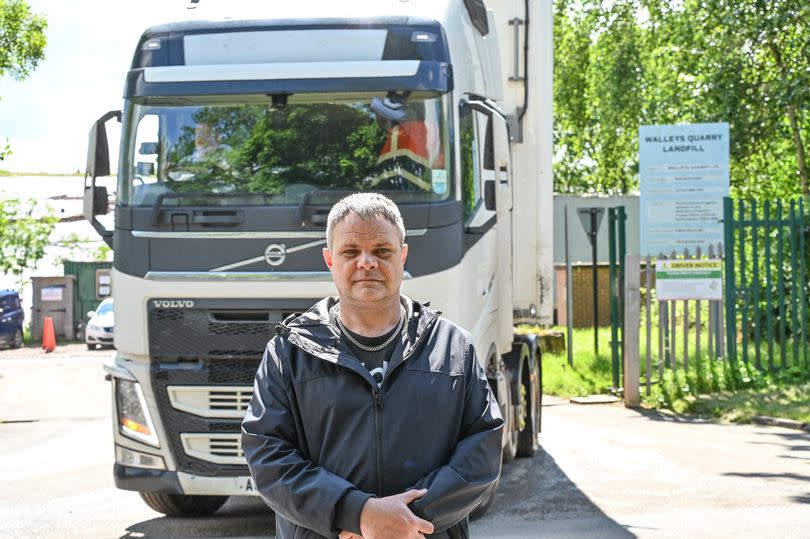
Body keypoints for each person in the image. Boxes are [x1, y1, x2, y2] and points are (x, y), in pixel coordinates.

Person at [242, 192, 503, 539]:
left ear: (403, 256)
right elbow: (268, 457)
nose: (367, 262)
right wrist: (356, 514)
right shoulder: (287, 354)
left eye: (382, 251)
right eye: (351, 252)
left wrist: (404, 521)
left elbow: (481, 452)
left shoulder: (455, 349)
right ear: (329, 260)